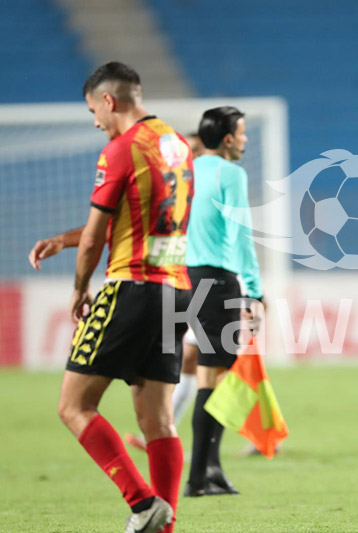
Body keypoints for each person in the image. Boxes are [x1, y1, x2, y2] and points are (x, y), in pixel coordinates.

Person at [28, 62, 193, 533]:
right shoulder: (177, 146)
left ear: (108, 101)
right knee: (158, 420)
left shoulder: (120, 150)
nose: (94, 122)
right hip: (174, 290)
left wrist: (80, 289)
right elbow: (138, 218)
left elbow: (99, 232)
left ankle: (143, 504)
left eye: (92, 111)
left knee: (73, 406)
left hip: (131, 289)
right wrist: (66, 239)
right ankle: (165, 525)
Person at [183, 106, 265, 497]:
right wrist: (253, 289)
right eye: (243, 133)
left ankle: (210, 468)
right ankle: (199, 475)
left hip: (184, 278)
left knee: (210, 376)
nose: (246, 139)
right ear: (229, 138)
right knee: (216, 380)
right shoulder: (231, 173)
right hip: (216, 281)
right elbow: (240, 234)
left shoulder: (188, 169)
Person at [124, 131, 206, 453]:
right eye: (190, 151)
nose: (192, 157)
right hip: (179, 282)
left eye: (197, 150)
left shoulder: (209, 190)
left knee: (202, 363)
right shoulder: (172, 193)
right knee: (190, 361)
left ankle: (163, 434)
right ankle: (162, 433)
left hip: (206, 283)